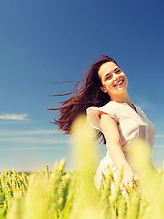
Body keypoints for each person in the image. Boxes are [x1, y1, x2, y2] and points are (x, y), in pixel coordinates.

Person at [51, 55, 155, 190]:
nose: (116, 77)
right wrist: (126, 172)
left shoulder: (139, 111)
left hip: (140, 173)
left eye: (117, 71)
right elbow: (113, 146)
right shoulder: (107, 111)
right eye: (108, 77)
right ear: (103, 88)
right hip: (119, 174)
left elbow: (145, 151)